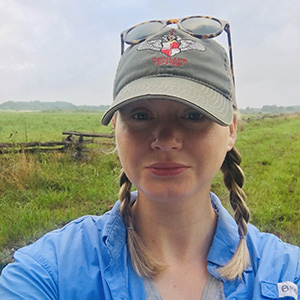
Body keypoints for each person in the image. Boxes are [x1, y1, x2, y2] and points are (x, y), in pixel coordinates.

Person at [0, 16, 299, 300]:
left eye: (194, 115)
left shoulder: (286, 275)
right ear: (117, 128)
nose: (166, 140)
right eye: (141, 115)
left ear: (231, 130)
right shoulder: (50, 271)